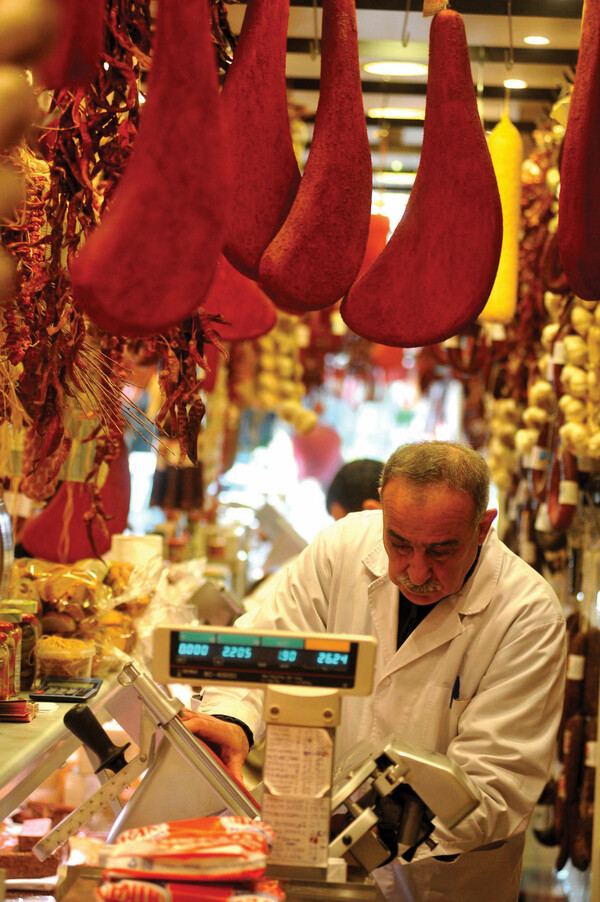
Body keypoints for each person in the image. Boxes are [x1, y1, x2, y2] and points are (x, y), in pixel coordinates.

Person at [181, 440, 566, 902]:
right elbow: (269, 648)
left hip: (442, 882)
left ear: (483, 527)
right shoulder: (342, 547)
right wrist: (232, 722)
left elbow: (494, 784)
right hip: (314, 864)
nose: (416, 570)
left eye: (442, 550)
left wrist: (355, 825)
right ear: (380, 511)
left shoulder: (527, 614)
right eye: (399, 543)